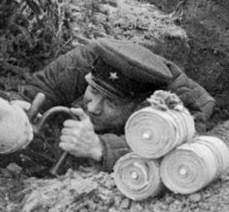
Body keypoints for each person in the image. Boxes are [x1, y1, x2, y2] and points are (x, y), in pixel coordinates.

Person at [16, 38, 216, 171]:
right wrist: (23, 109)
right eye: (93, 91)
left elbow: (182, 151)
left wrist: (100, 147)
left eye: (111, 102)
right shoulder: (84, 61)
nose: (93, 107)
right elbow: (38, 89)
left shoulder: (174, 101)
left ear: (139, 108)